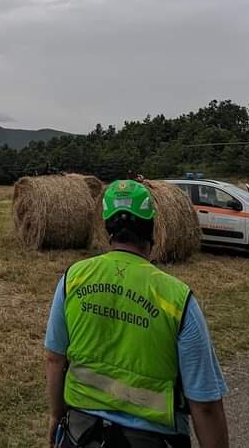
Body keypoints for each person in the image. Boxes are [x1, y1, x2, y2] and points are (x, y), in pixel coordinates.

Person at [44, 179, 229, 448]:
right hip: (154, 438)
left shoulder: (73, 279)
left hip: (81, 434)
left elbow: (53, 358)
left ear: (107, 229)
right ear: (152, 227)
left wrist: (56, 414)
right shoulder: (177, 298)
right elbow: (205, 404)